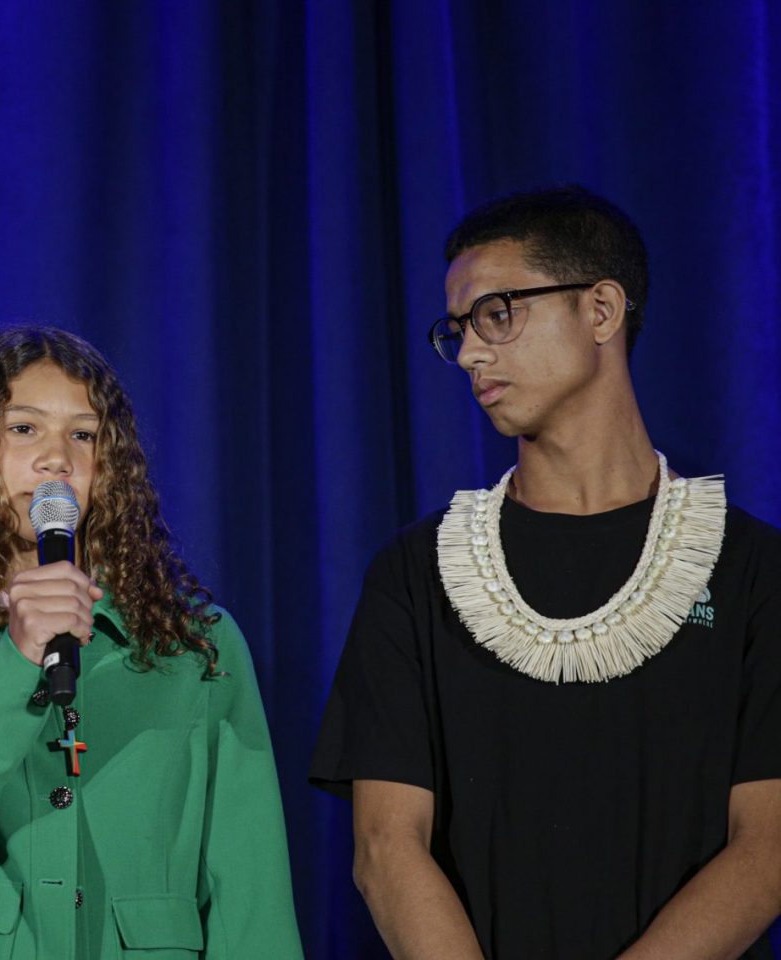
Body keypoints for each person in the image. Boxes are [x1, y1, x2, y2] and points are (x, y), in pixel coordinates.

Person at [311, 185, 781, 958]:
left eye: (499, 312)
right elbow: (385, 848)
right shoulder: (415, 574)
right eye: (457, 329)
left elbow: (765, 853)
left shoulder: (755, 572)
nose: (468, 353)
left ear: (601, 311)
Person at [0, 325, 304, 959]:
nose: (57, 458)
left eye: (83, 436)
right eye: (23, 429)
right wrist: (12, 663)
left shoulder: (197, 643)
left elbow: (251, 890)